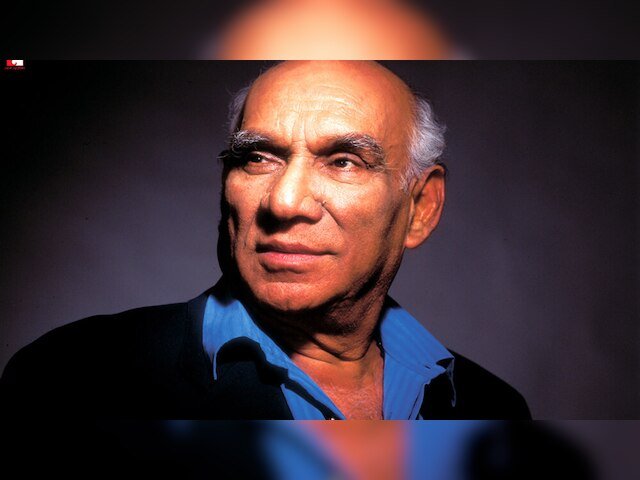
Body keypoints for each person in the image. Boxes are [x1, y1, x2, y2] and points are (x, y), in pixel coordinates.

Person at [0, 61, 530, 419]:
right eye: (257, 157)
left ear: (421, 207)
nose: (284, 202)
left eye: (344, 161)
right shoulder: (72, 379)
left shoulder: (493, 407)